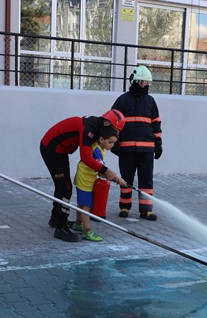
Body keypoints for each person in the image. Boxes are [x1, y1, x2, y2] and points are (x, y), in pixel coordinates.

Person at [40, 109, 127, 242]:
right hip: (52, 148)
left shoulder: (99, 128)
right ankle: (61, 227)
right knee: (65, 188)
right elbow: (86, 157)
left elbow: (110, 146)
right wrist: (107, 171)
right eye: (115, 130)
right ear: (107, 123)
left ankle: (56, 219)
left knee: (62, 186)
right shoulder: (89, 128)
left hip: (61, 150)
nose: (115, 134)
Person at [111, 65, 162, 221]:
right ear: (134, 81)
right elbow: (112, 122)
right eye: (141, 82)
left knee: (146, 180)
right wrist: (115, 144)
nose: (144, 85)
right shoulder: (122, 100)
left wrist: (158, 143)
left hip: (146, 149)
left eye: (146, 83)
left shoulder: (151, 101)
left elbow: (156, 124)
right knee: (126, 179)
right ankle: (125, 206)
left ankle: (146, 210)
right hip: (126, 149)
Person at [72, 127, 119, 242]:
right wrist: (116, 179)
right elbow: (102, 171)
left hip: (85, 177)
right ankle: (87, 231)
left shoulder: (100, 148)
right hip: (85, 179)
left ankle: (78, 224)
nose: (111, 145)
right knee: (87, 206)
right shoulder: (97, 151)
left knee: (82, 203)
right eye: (110, 142)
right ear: (102, 139)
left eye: (113, 143)